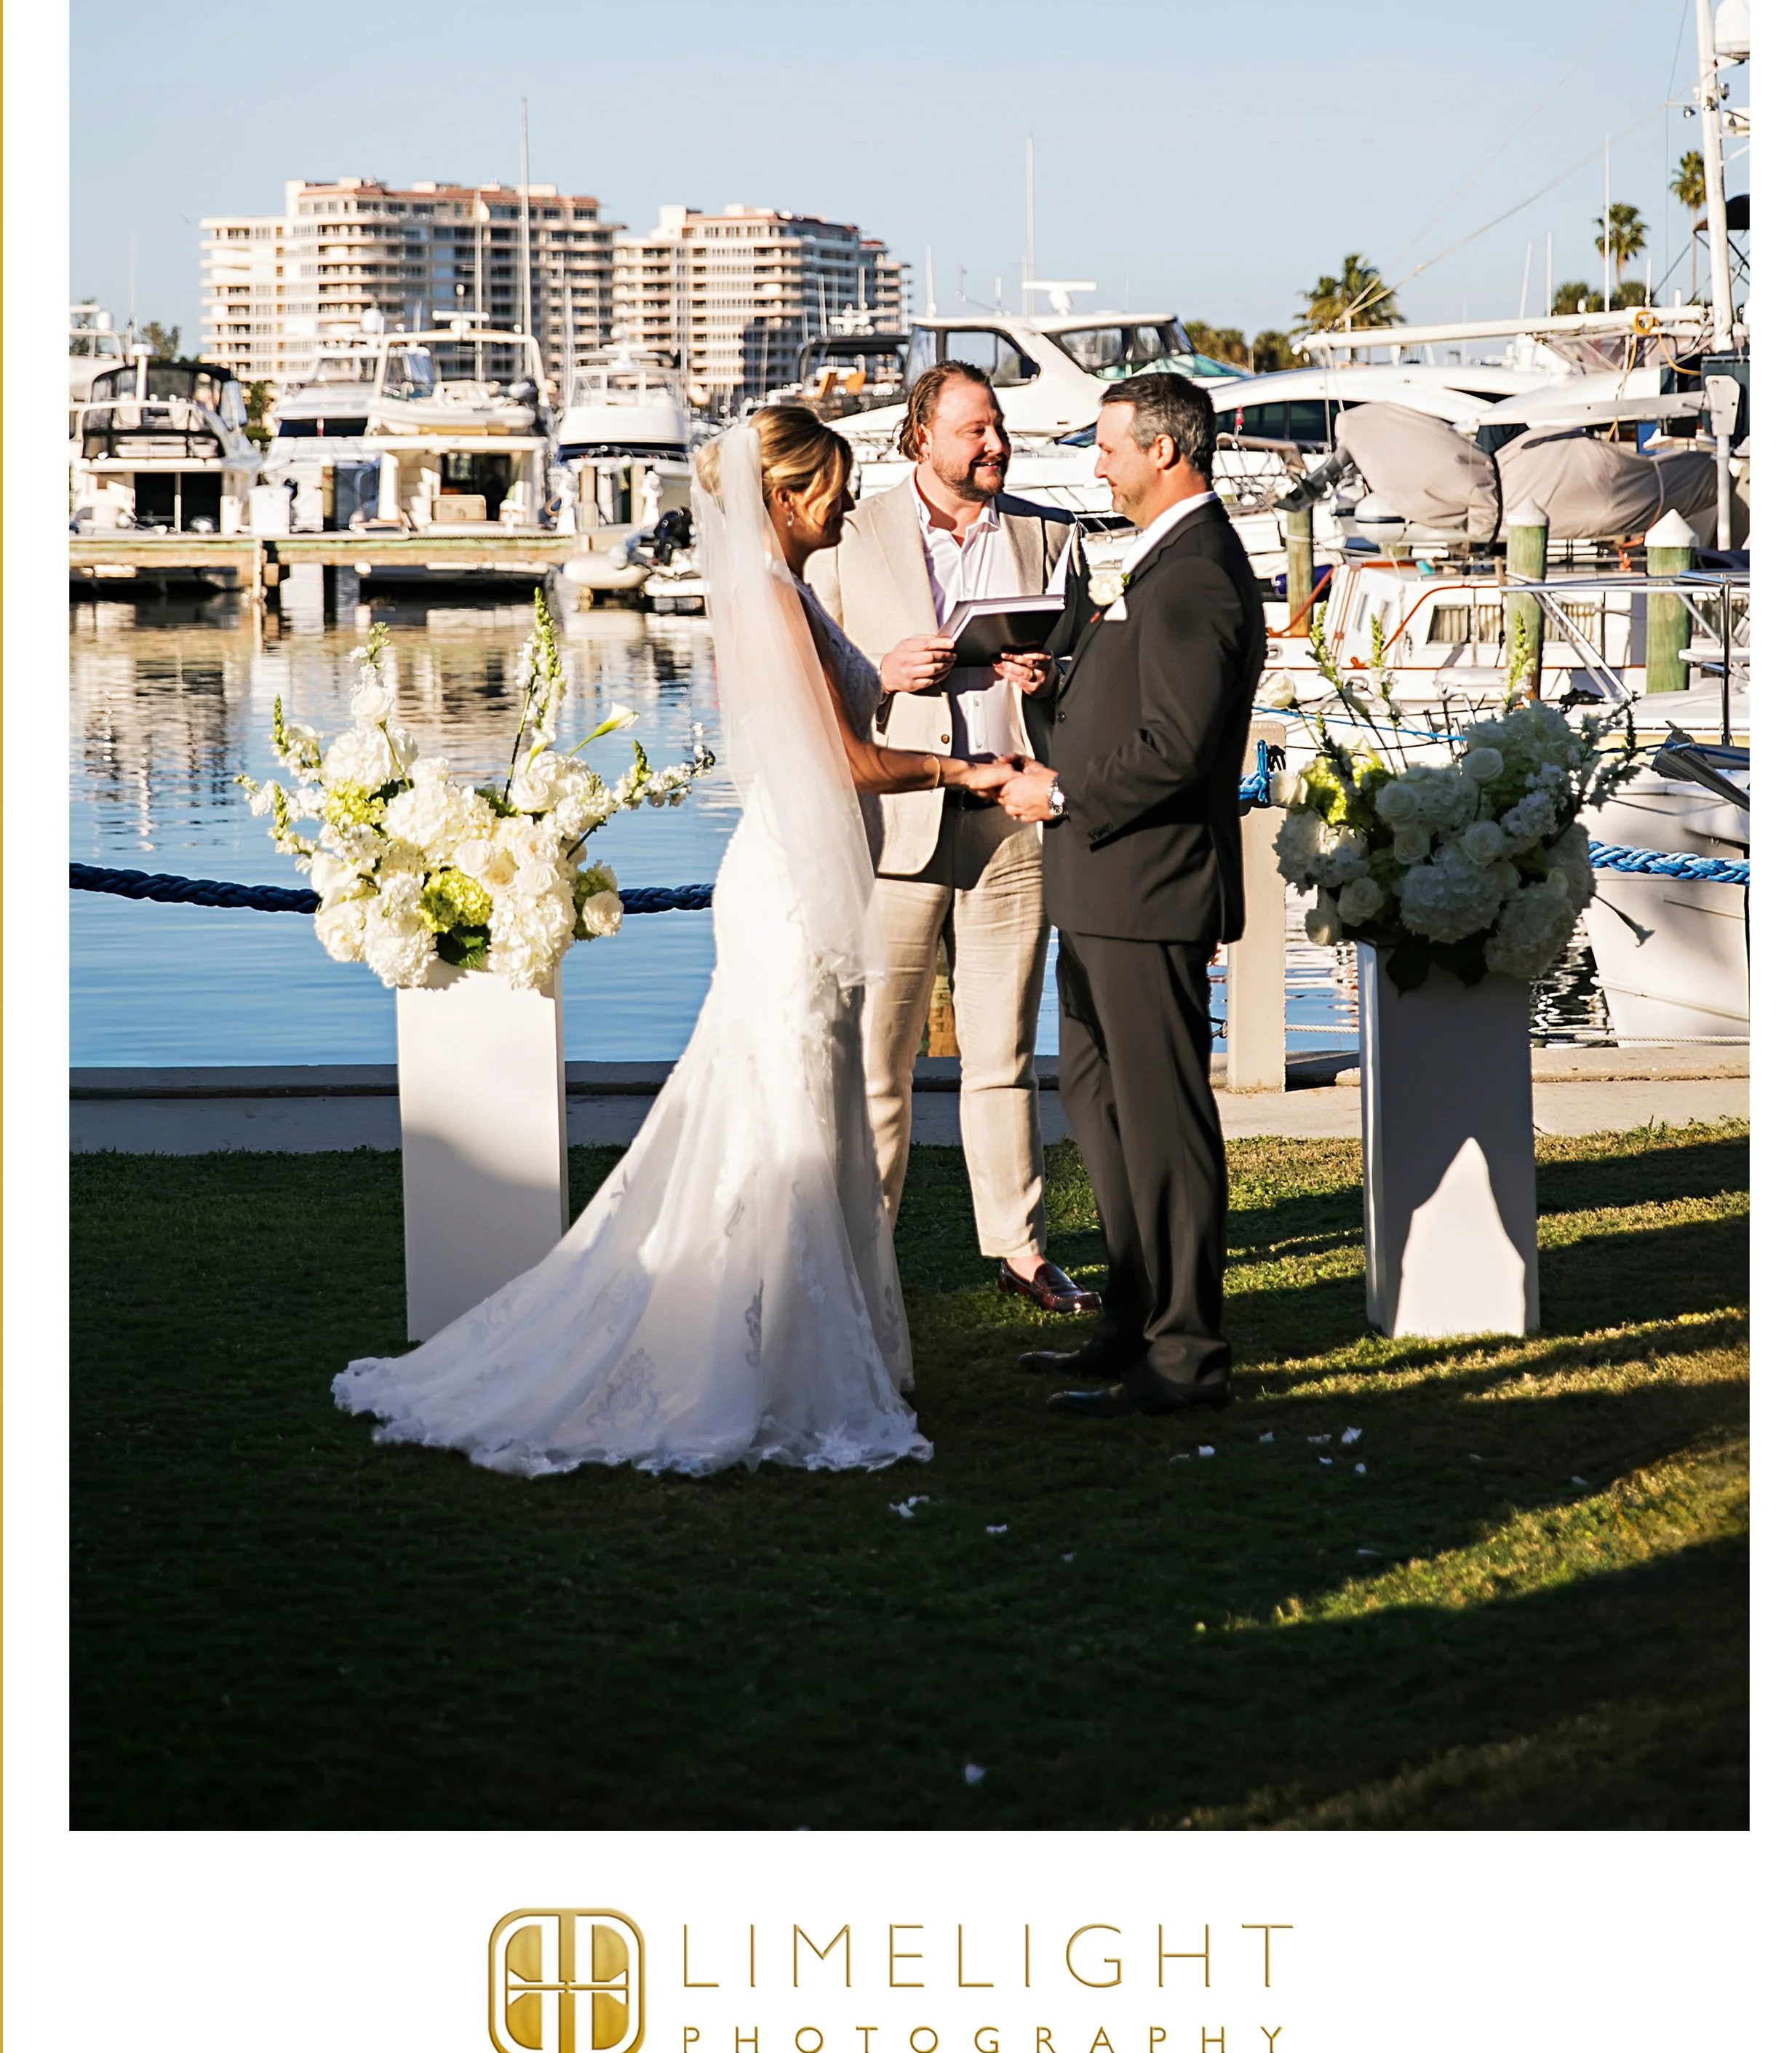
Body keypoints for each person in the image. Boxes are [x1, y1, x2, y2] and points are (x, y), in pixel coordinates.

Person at [332, 408, 1015, 1478]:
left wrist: (914, 675)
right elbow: (840, 758)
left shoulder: (779, 595)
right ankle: (763, 1362)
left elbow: (830, 711)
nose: (847, 501)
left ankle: (803, 1350)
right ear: (786, 498)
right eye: (832, 486)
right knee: (782, 1113)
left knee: (804, 1107)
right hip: (789, 883)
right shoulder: (774, 598)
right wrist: (959, 773)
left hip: (798, 872)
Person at [995, 370, 1266, 1416]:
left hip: (1148, 890)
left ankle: (1187, 1353)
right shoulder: (1158, 567)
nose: (1096, 462)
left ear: (1166, 450)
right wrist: (1057, 690)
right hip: (1102, 888)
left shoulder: (1195, 574)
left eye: (1109, 444)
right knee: (1101, 1109)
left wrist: (1056, 790)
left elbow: (1177, 749)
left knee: (1162, 1123)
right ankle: (1130, 1316)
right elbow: (1133, 715)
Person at [805, 360, 1097, 1314]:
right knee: (878, 1061)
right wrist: (883, 673)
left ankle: (1021, 1252)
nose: (995, 444)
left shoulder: (1054, 537)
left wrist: (1051, 683)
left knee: (1003, 1050)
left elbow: (1090, 681)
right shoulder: (851, 535)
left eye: (999, 427)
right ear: (922, 435)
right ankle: (863, 1261)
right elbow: (812, 686)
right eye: (975, 429)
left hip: (1009, 818)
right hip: (893, 818)